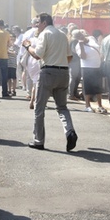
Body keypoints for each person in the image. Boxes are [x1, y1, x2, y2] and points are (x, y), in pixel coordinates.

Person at [23, 13, 78, 152]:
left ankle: (38, 140)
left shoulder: (45, 34)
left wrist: (28, 46)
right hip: (63, 72)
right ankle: (70, 131)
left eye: (38, 22)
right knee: (62, 107)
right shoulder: (62, 34)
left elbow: (37, 54)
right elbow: (69, 57)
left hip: (48, 72)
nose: (37, 25)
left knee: (39, 108)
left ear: (45, 22)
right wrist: (60, 63)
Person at [75, 29, 106, 113]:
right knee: (87, 87)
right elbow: (83, 57)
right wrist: (81, 45)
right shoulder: (78, 45)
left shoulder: (92, 38)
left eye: (82, 34)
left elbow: (98, 47)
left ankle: (100, 105)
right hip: (86, 67)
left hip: (97, 66)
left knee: (98, 87)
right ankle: (87, 105)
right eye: (79, 36)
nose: (81, 36)